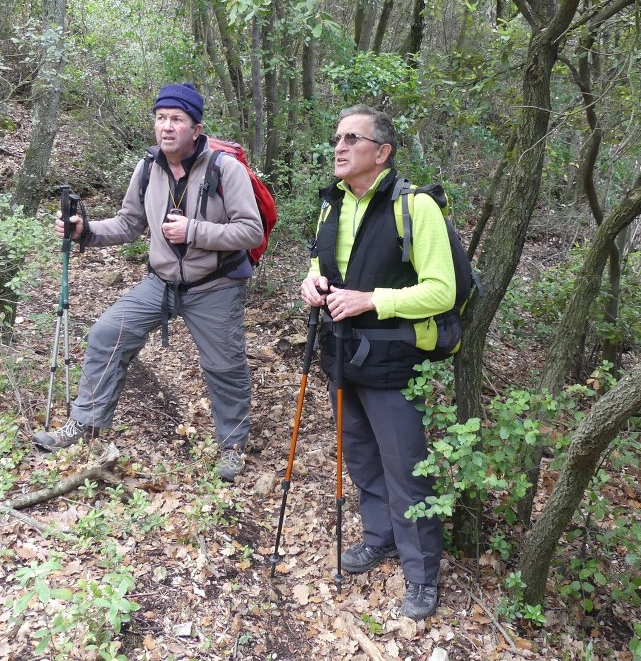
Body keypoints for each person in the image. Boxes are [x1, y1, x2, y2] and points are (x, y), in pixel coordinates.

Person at [33, 83, 263, 482]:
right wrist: (85, 232)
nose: (167, 127)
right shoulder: (148, 168)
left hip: (215, 284)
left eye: (177, 119)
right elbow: (128, 223)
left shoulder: (226, 169)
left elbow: (250, 232)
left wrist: (194, 230)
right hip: (161, 282)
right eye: (161, 118)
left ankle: (232, 446)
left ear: (196, 128)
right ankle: (85, 424)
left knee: (224, 366)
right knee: (107, 333)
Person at [299, 105, 456, 620]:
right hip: (342, 353)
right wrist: (311, 283)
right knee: (362, 456)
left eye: (352, 138)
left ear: (382, 152)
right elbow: (321, 263)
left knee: (406, 467)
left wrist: (372, 300)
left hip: (395, 360)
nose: (339, 147)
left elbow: (441, 290)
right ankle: (379, 537)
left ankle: (421, 575)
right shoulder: (332, 205)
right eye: (336, 138)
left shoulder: (415, 207)